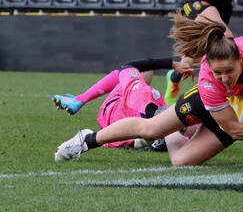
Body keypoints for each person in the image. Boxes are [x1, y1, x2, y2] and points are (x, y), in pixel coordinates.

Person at [54, 13, 243, 162]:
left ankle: (169, 127)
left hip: (241, 105)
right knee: (150, 128)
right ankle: (87, 139)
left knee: (182, 162)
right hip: (216, 107)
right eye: (218, 72)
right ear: (209, 66)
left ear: (242, 60)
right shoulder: (209, 83)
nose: (224, 78)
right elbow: (234, 129)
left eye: (230, 71)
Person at [51, 57, 192, 150]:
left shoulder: (140, 93)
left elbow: (128, 67)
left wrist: (172, 64)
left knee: (133, 71)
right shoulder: (148, 98)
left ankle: (79, 100)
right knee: (184, 128)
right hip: (134, 118)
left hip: (112, 114)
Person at [165, 0, 234, 105]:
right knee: (227, 37)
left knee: (196, 53)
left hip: (224, 4)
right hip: (198, 0)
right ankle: (233, 94)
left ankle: (174, 77)